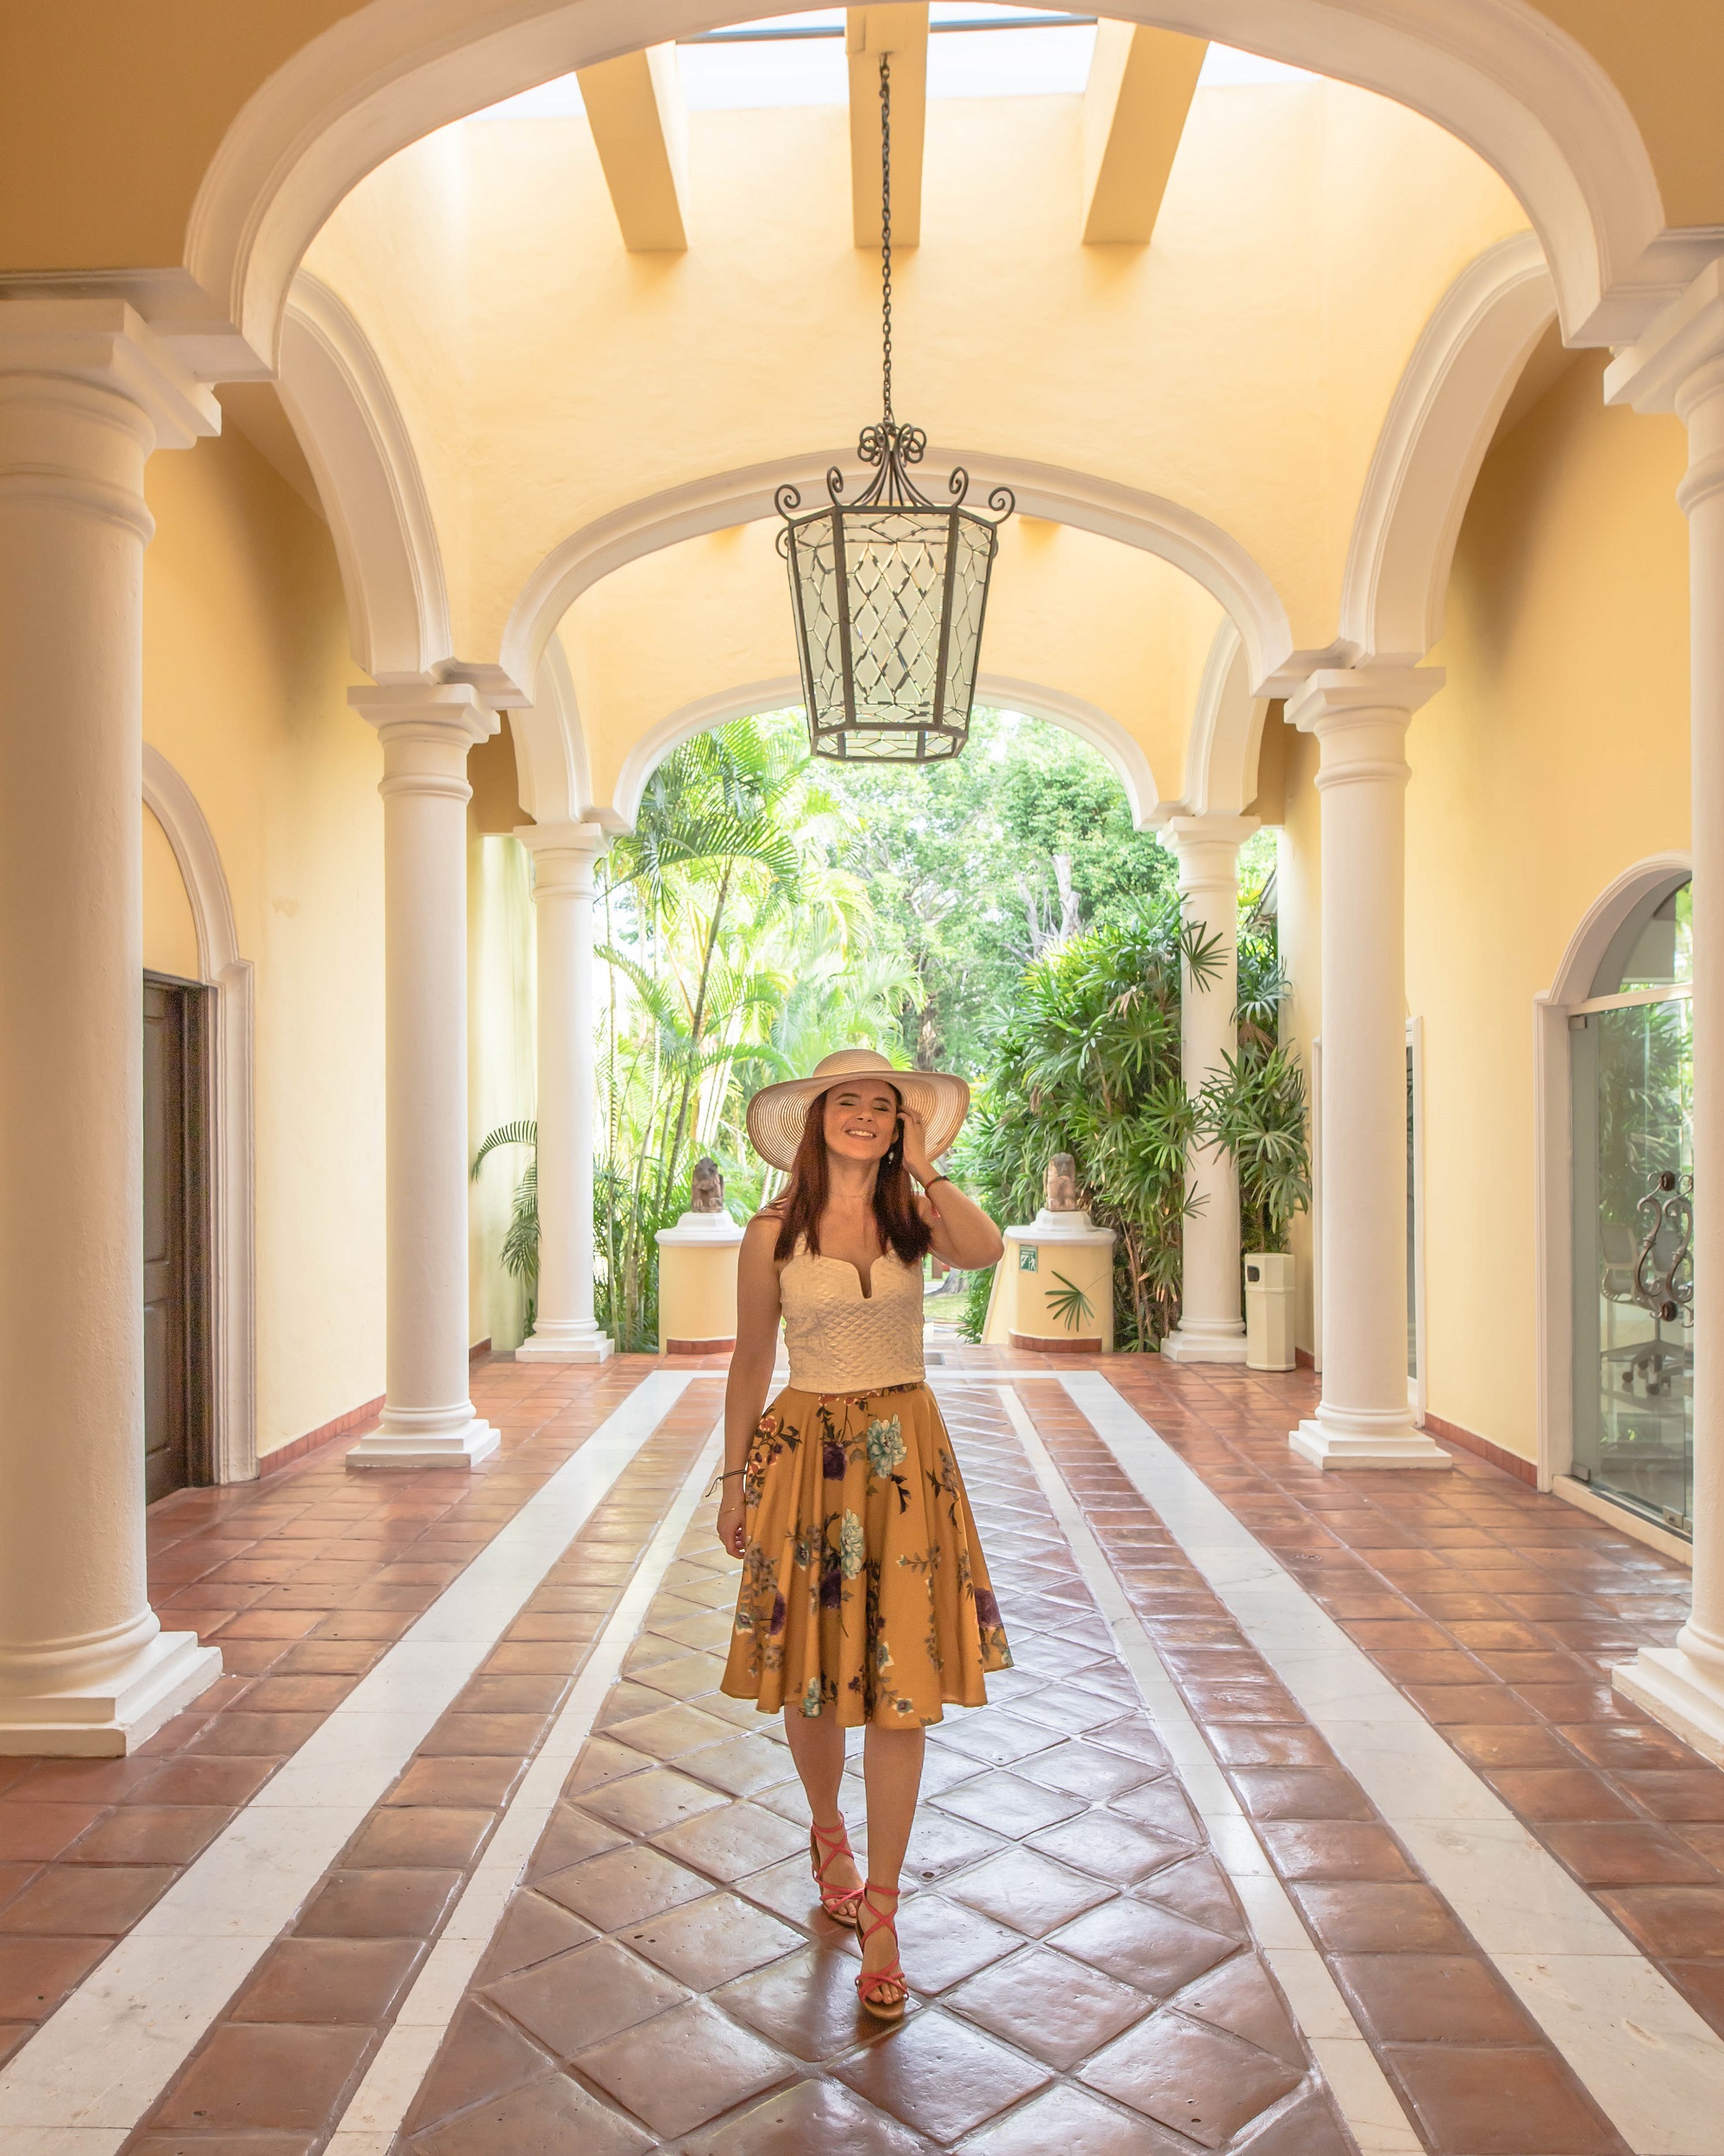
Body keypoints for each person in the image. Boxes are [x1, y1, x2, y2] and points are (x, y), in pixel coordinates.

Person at [717, 1048, 1012, 2022]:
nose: (864, 1116)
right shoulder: (772, 1232)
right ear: (816, 1118)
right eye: (847, 1102)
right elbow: (750, 1361)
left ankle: (881, 1914)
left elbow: (987, 1249)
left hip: (903, 1461)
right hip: (806, 1455)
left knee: (902, 1687)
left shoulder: (913, 1216)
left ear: (898, 1124)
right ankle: (826, 1825)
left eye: (882, 1107)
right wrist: (734, 1481)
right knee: (811, 1675)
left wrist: (925, 1165)